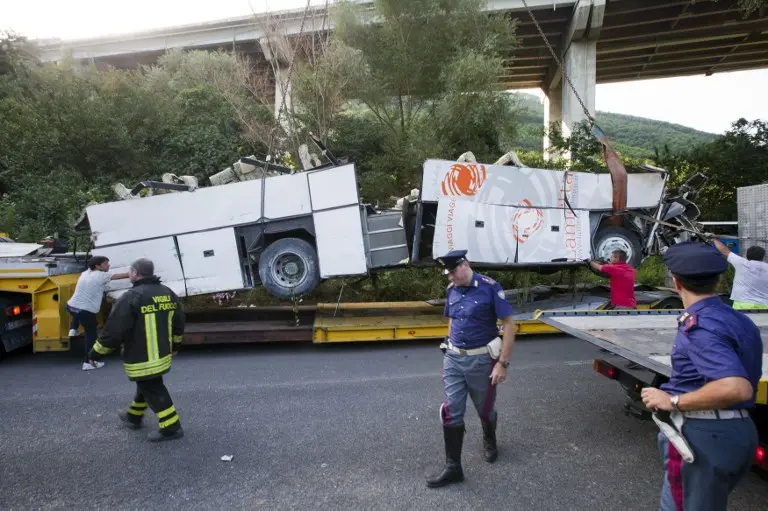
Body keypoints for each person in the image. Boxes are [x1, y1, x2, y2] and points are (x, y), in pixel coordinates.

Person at [641, 242, 762, 511]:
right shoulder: (739, 320)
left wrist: (671, 401)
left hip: (704, 436)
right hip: (738, 431)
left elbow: (736, 387)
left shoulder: (700, 326)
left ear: (675, 282)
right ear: (718, 280)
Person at [426, 249, 516, 488]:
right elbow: (453, 319)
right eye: (448, 274)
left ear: (465, 264)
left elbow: (509, 326)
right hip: (454, 359)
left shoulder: (490, 287)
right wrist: (448, 345)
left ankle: (489, 437)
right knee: (450, 410)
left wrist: (502, 364)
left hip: (481, 361)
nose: (450, 277)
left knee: (485, 410)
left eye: (453, 271)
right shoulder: (451, 290)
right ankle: (453, 467)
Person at [87, 258, 186, 442]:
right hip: (163, 354)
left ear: (135, 273)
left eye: (130, 271)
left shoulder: (131, 297)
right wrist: (176, 345)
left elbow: (114, 330)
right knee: (148, 383)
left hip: (142, 356)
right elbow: (179, 323)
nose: (129, 274)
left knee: (153, 388)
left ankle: (171, 427)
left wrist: (96, 353)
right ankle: (134, 416)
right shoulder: (167, 293)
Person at [67, 255, 129, 371]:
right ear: (97, 266)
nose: (108, 265)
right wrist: (135, 272)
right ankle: (88, 362)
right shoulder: (102, 276)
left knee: (77, 312)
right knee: (91, 336)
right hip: (85, 311)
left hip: (71, 307)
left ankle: (73, 328)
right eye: (106, 264)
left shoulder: (85, 273)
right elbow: (124, 276)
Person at [711, 237, 768, 309]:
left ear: (747, 255)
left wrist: (714, 239)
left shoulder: (741, 263)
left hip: (742, 305)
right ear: (762, 256)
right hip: (765, 306)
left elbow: (724, 250)